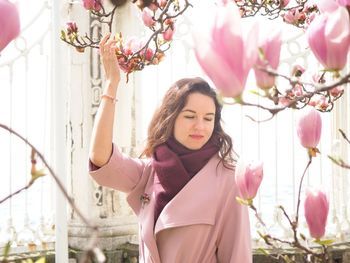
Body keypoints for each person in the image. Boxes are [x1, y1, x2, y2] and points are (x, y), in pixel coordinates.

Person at [89, 34, 252, 263]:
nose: (200, 126)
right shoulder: (150, 172)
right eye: (189, 116)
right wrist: (111, 84)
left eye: (208, 118)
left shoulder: (228, 179)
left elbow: (237, 255)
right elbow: (101, 159)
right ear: (171, 118)